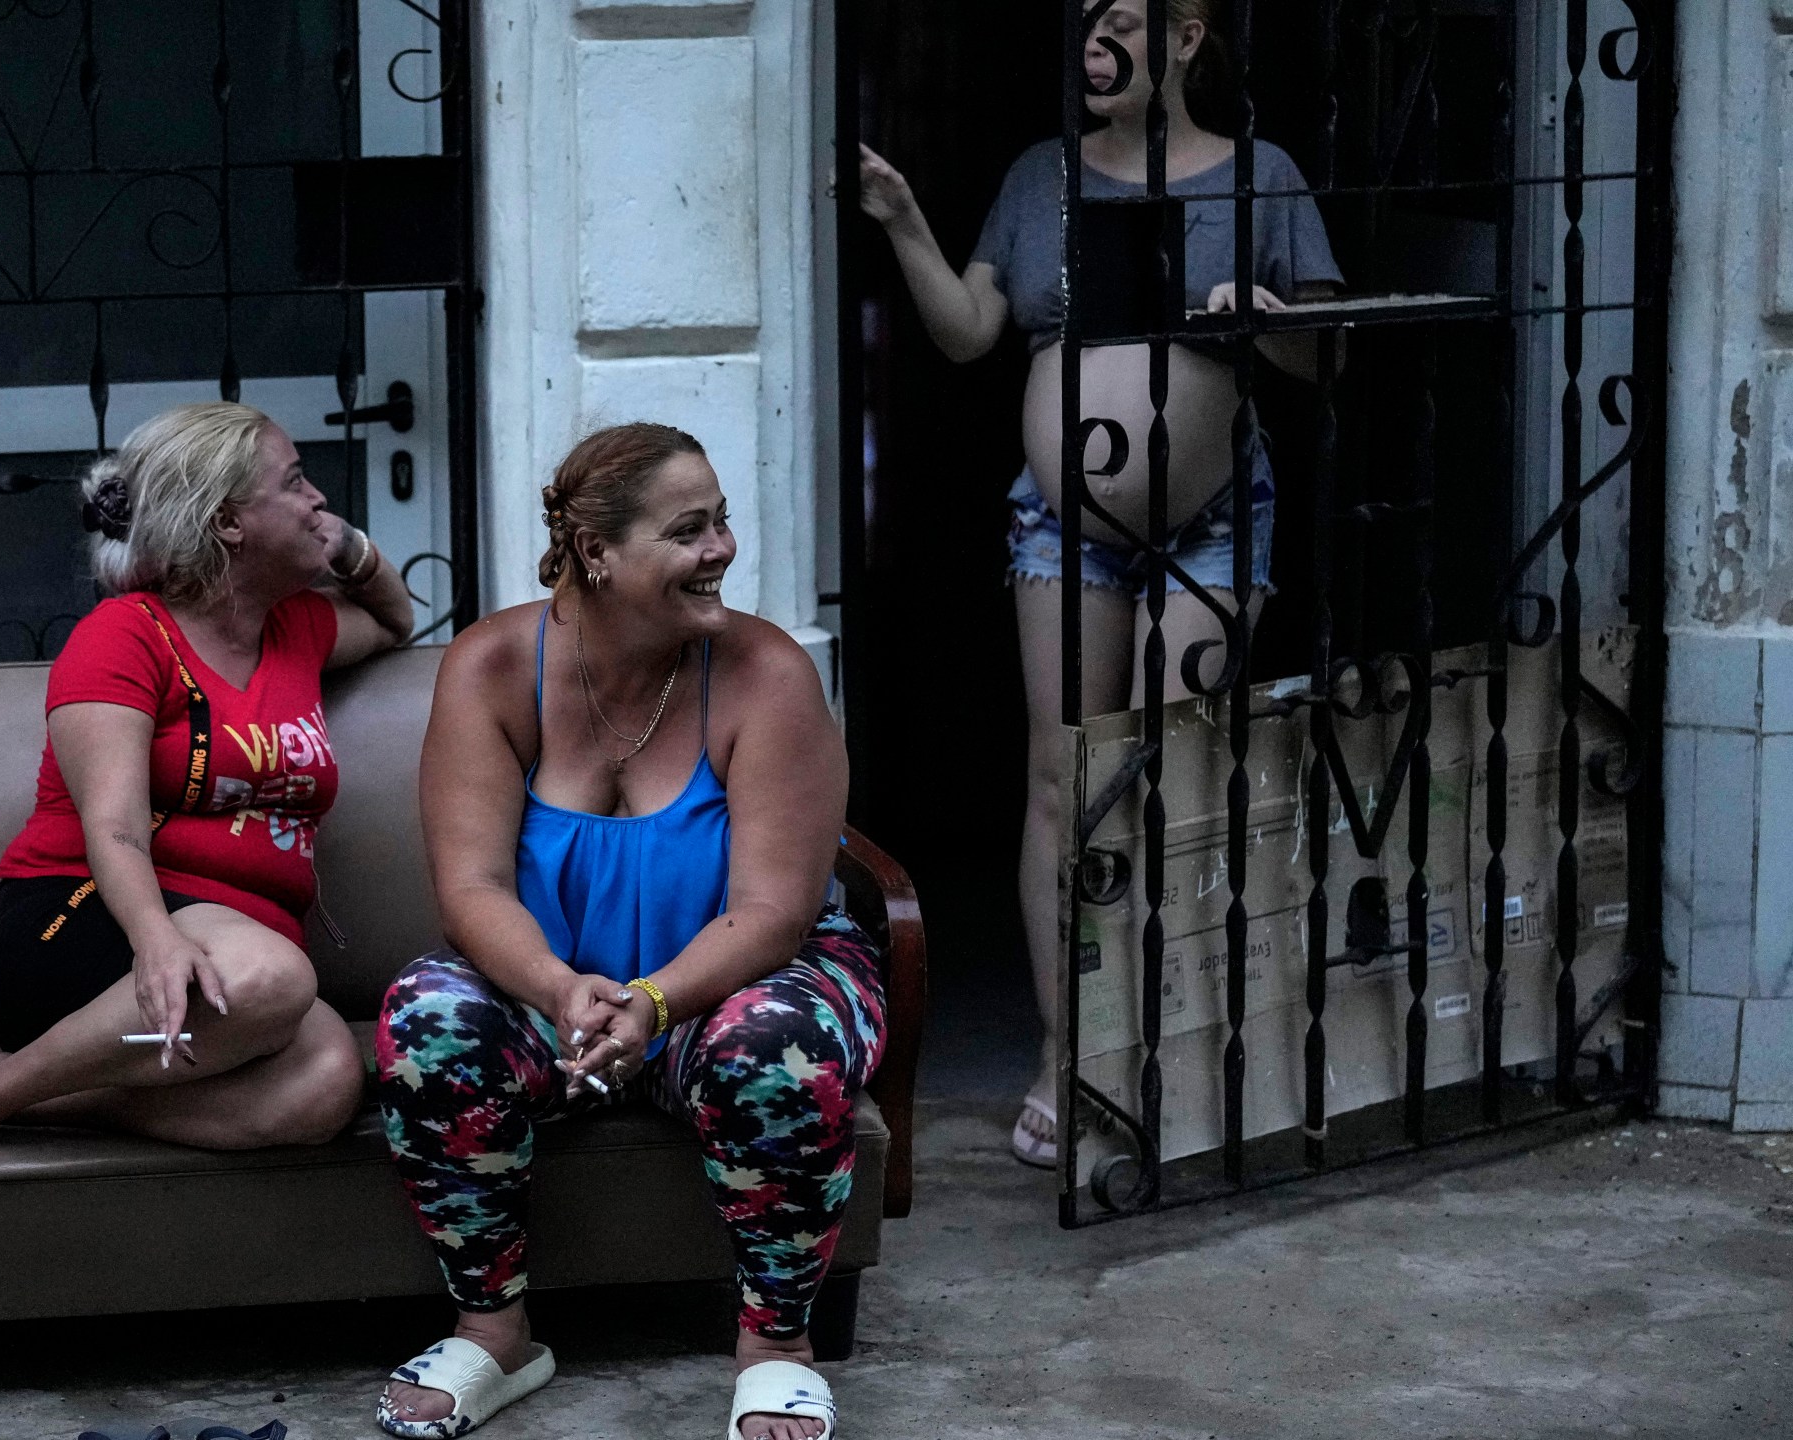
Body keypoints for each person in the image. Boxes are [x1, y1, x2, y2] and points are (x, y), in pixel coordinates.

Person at [859, 0, 1340, 1167]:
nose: (1091, 44)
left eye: (1120, 21)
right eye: (1081, 23)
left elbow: (1327, 355)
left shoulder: (1257, 175)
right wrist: (904, 219)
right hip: (1063, 530)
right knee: (1064, 779)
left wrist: (1265, 321)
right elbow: (973, 332)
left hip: (1213, 522)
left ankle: (1169, 1048)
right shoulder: (1043, 178)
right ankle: (1067, 1050)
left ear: (1184, 39)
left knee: (1173, 774)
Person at [373, 424, 885, 1440]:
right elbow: (470, 888)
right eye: (689, 529)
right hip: (556, 984)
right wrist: (564, 989)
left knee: (769, 1048)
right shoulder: (490, 669)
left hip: (737, 977)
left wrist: (652, 1002)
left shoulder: (766, 676)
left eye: (723, 521)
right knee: (426, 1015)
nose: (723, 550)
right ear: (597, 555)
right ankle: (495, 1332)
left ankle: (777, 1345)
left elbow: (773, 914)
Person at [0, 402, 415, 1191]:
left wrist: (351, 549)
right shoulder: (126, 634)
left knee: (324, 1085)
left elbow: (393, 621)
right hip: (88, 927)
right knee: (277, 978)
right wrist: (158, 940)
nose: (317, 500)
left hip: (232, 966)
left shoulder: (297, 629)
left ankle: (31, 1100)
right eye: (295, 483)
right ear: (228, 523)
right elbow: (114, 826)